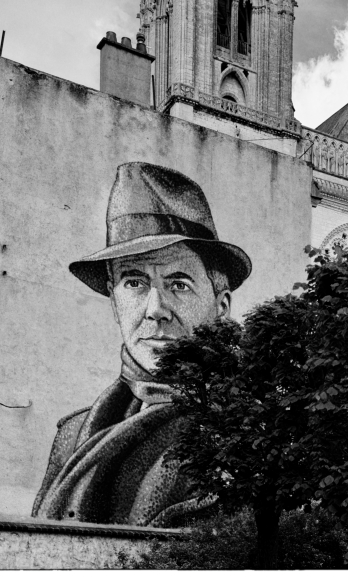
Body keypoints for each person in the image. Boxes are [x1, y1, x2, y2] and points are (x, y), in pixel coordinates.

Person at [32, 161, 251, 526]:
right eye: (134, 283)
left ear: (221, 306)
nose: (155, 310)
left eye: (178, 284)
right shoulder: (72, 434)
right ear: (114, 301)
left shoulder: (244, 433)